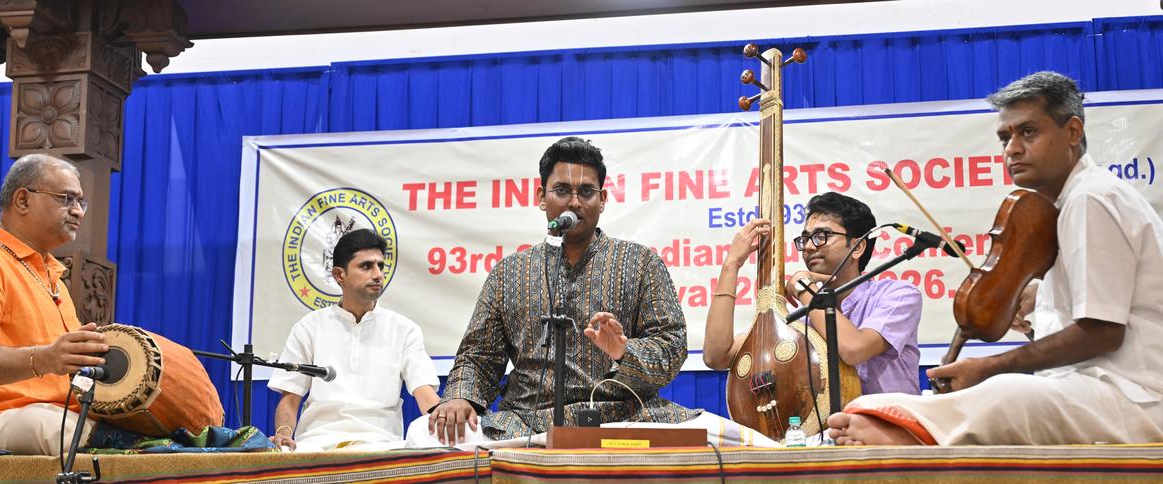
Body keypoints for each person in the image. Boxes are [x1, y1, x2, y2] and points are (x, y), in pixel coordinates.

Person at [827, 71, 1163, 445]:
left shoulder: (1090, 198)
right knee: (1000, 394)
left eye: (1028, 132)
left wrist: (988, 367)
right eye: (1006, 137)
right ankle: (912, 423)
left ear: (1072, 131)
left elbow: (1103, 332)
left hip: (1135, 398)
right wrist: (1042, 303)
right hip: (1093, 392)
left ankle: (915, 432)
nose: (1012, 149)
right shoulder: (1072, 203)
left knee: (1006, 392)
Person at [407, 136, 772, 448]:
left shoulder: (640, 261)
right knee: (424, 433)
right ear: (541, 196)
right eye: (562, 191)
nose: (575, 203)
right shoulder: (509, 273)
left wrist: (625, 351)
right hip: (525, 423)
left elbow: (671, 349)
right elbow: (478, 356)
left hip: (625, 417)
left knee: (733, 438)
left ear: (602, 199)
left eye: (586, 192)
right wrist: (459, 397)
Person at [704, 193, 923, 396]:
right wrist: (731, 265)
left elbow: (854, 349)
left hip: (890, 433)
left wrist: (803, 286)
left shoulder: (898, 295)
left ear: (857, 247)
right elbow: (717, 356)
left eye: (821, 236)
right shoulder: (800, 319)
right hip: (827, 435)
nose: (808, 247)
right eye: (805, 239)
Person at [0, 154, 109, 455]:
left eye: (80, 202)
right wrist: (45, 358)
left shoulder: (54, 278)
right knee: (54, 428)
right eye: (66, 199)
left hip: (60, 413)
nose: (78, 212)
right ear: (22, 200)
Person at [267, 229, 440, 451]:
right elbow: (290, 399)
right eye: (366, 266)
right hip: (316, 444)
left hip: (380, 446)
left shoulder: (404, 330)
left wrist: (446, 419)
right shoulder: (309, 327)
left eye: (380, 266)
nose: (378, 274)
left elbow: (425, 394)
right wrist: (283, 434)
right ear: (340, 275)